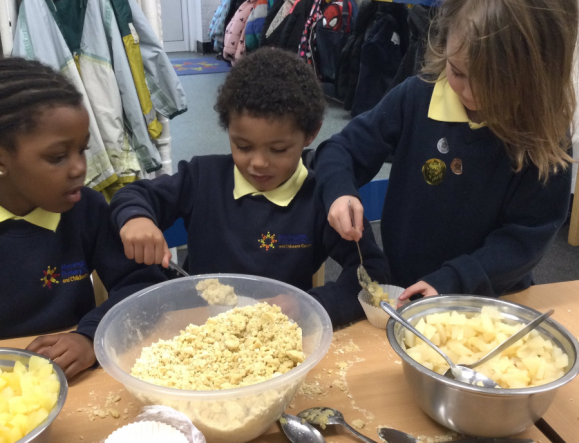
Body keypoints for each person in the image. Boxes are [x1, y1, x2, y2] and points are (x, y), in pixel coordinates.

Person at [0, 58, 166, 378]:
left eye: (82, 150)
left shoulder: (87, 210)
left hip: (70, 381)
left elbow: (142, 287)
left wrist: (89, 336)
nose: (79, 168)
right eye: (58, 157)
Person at [314, 0, 579, 302]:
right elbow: (340, 149)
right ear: (445, 44)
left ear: (540, 73)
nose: (472, 94)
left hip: (490, 298)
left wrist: (455, 279)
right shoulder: (417, 97)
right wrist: (339, 189)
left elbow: (526, 238)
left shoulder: (544, 135)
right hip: (406, 286)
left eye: (496, 83)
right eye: (458, 72)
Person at [111, 48, 390, 327]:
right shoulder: (202, 177)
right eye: (243, 146)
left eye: (278, 149)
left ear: (311, 133)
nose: (258, 163)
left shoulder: (320, 195)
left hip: (281, 332)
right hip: (200, 328)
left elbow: (374, 273)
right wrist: (136, 217)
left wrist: (307, 305)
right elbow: (133, 194)